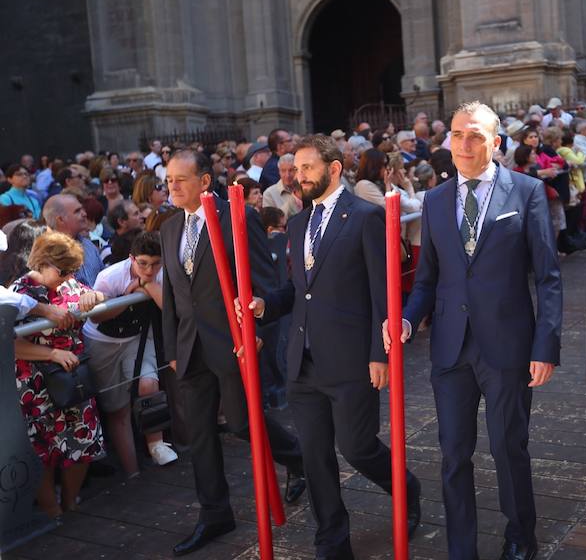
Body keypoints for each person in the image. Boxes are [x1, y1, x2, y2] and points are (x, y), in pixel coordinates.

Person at [385, 101, 563, 560]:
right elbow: (426, 278)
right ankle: (461, 548)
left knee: (509, 448)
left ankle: (521, 536)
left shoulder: (525, 193)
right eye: (458, 134)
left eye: (476, 135)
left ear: (495, 142)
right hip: (449, 349)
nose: (465, 144)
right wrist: (406, 317)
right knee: (453, 455)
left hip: (508, 346)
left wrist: (546, 344)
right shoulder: (436, 200)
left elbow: (547, 277)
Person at [238, 134, 421, 559]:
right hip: (302, 361)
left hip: (352, 357)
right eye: (295, 169)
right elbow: (297, 290)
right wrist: (265, 305)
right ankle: (332, 541)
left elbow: (384, 292)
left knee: (357, 448)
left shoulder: (365, 217)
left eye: (306, 168)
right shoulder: (298, 222)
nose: (298, 176)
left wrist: (382, 352)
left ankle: (405, 487)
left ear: (333, 169)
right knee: (317, 457)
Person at [159, 150, 305, 556]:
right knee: (201, 435)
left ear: (205, 181)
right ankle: (214, 514)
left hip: (233, 341)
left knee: (242, 423)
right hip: (189, 348)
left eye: (180, 179)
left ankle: (298, 458)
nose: (172, 186)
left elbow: (265, 282)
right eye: (168, 179)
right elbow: (172, 295)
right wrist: (172, 347)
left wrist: (256, 329)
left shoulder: (237, 217)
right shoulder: (170, 229)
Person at [12, 231, 108, 519]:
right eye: (62, 270)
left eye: (71, 271)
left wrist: (95, 295)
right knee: (40, 449)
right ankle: (52, 509)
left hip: (73, 377)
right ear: (42, 262)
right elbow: (11, 343)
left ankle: (71, 502)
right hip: (35, 382)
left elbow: (101, 298)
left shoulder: (70, 285)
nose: (67, 277)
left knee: (83, 440)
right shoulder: (19, 292)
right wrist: (52, 354)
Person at [84, 231, 178, 476]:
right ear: (131, 259)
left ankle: (156, 445)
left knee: (149, 384)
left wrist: (148, 285)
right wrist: (128, 297)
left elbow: (171, 309)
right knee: (118, 409)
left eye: (156, 263)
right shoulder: (110, 276)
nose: (149, 269)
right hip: (102, 341)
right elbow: (97, 316)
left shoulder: (163, 274)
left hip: (136, 336)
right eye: (143, 263)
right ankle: (132, 471)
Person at [42, 194, 104, 286]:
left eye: (82, 209)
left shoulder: (89, 245)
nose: (84, 214)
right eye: (77, 211)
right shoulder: (46, 255)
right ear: (60, 219)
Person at [261, 154, 303, 219]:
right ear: (279, 172)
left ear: (297, 171)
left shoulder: (305, 188)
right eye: (283, 171)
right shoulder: (269, 194)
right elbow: (272, 222)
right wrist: (294, 197)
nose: (287, 175)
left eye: (291, 170)